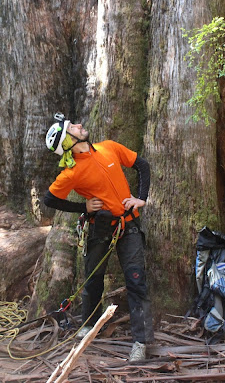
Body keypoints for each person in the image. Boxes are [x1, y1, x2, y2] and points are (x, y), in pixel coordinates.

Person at [43, 112, 154, 362]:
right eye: (73, 127)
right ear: (67, 142)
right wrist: (84, 208)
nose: (80, 125)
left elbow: (142, 165)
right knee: (93, 280)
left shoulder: (108, 147)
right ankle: (89, 326)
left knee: (136, 282)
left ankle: (141, 342)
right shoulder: (72, 173)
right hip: (100, 228)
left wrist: (141, 198)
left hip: (129, 225)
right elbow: (50, 199)